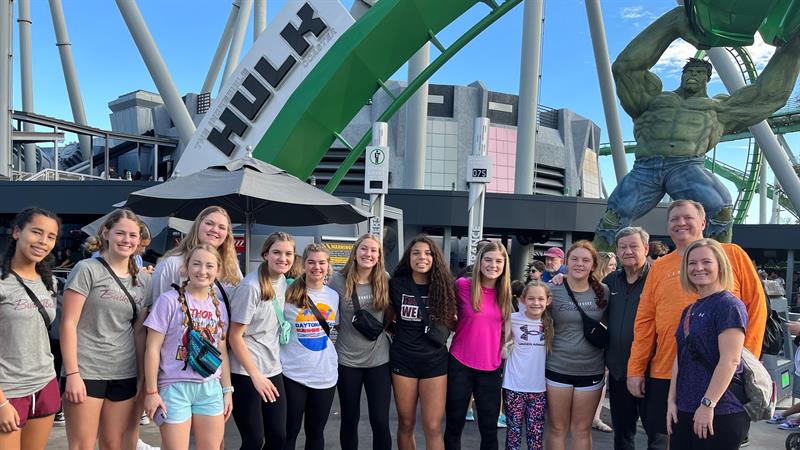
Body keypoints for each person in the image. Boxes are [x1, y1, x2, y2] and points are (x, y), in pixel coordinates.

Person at [594, 7, 800, 250]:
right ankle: (595, 272)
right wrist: (674, 23)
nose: (693, 75)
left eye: (699, 72)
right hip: (645, 166)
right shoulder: (654, 100)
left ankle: (716, 267)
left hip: (686, 165)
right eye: (689, 72)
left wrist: (793, 48)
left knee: (720, 210)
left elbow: (767, 95)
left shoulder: (718, 108)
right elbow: (625, 68)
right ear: (682, 75)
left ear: (707, 78)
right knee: (614, 217)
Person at [627, 200, 766, 447]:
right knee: (665, 439)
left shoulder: (733, 255)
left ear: (703, 222)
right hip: (668, 374)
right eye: (674, 219)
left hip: (722, 379)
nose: (681, 223)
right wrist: (636, 368)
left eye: (688, 217)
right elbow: (645, 320)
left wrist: (745, 368)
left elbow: (756, 310)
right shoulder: (660, 268)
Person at [60, 209, 152, 450]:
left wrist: (143, 378)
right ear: (106, 233)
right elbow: (68, 323)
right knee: (83, 445)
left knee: (115, 444)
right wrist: (72, 374)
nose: (127, 240)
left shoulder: (144, 280)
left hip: (125, 371)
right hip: (87, 369)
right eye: (120, 233)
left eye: (133, 235)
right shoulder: (87, 269)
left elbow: (140, 332)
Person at [143, 244, 233, 450]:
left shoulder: (219, 307)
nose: (203, 271)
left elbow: (222, 353)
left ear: (217, 270)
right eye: (197, 264)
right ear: (186, 267)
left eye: (209, 266)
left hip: (210, 388)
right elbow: (152, 348)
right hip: (174, 388)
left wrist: (227, 390)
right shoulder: (168, 301)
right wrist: (151, 392)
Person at [666, 239, 749, 449]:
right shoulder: (689, 310)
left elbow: (730, 360)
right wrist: (671, 402)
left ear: (720, 265)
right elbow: (680, 358)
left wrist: (707, 404)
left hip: (719, 411)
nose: (698, 268)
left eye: (706, 262)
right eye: (692, 263)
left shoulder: (728, 306)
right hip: (685, 409)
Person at [0, 208, 61, 450]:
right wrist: (1, 403)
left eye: (51, 237)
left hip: (45, 383)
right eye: (36, 232)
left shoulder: (50, 282)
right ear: (17, 232)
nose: (43, 242)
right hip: (8, 389)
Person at [389, 235, 457, 450]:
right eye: (416, 253)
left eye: (428, 253)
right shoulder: (396, 284)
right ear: (408, 257)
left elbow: (454, 322)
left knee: (433, 426)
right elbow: (386, 318)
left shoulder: (445, 286)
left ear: (435, 258)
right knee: (406, 423)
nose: (422, 257)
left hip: (435, 362)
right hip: (403, 360)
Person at [228, 232, 295, 450]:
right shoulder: (251, 287)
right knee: (254, 440)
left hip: (273, 368)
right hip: (246, 372)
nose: (282, 258)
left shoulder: (283, 280)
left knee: (278, 436)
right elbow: (235, 336)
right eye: (276, 252)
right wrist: (255, 376)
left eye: (288, 253)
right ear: (266, 254)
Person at [444, 242, 512, 450]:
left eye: (498, 261)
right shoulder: (463, 285)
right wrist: (461, 327)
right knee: (454, 426)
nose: (493, 265)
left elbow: (509, 328)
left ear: (504, 265)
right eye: (488, 260)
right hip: (459, 364)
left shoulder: (506, 294)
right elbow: (446, 314)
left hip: (491, 368)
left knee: (489, 431)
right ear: (480, 261)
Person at [327, 234, 392, 450]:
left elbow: (391, 314)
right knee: (349, 419)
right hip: (347, 361)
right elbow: (329, 313)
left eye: (374, 250)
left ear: (379, 256)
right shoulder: (337, 280)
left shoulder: (384, 278)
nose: (368, 254)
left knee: (380, 421)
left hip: (379, 360)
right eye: (364, 249)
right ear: (355, 252)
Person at [546, 240, 608, 450]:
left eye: (585, 260)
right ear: (566, 262)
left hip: (591, 369)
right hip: (557, 367)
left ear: (593, 265)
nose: (579, 264)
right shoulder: (552, 289)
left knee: (581, 429)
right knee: (557, 428)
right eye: (574, 259)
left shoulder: (604, 291)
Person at [281, 243, 339, 450]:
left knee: (316, 434)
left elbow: (337, 327)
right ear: (303, 265)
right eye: (311, 262)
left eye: (322, 262)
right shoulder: (288, 294)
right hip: (292, 374)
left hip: (324, 375)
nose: (317, 267)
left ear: (328, 265)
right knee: (289, 431)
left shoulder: (333, 296)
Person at [603, 227, 653, 450]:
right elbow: (583, 292)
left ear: (646, 248)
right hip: (618, 370)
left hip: (652, 372)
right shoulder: (610, 280)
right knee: (623, 434)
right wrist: (561, 278)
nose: (628, 251)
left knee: (657, 435)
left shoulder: (657, 279)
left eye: (634, 246)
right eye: (623, 247)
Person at [151, 206, 242, 306]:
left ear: (227, 234)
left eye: (222, 227)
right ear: (197, 226)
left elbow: (239, 306)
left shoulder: (232, 267)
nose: (215, 230)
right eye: (209, 223)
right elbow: (156, 307)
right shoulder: (171, 264)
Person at [501, 281, 552, 450]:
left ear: (548, 301)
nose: (536, 303)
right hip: (513, 386)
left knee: (535, 436)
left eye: (540, 299)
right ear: (523, 300)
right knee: (513, 433)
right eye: (531, 298)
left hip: (538, 388)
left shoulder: (550, 323)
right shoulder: (511, 319)